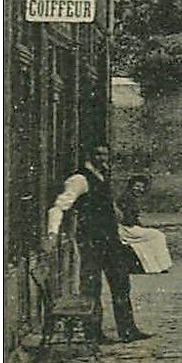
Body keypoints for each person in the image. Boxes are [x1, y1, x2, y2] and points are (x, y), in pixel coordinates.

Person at [46, 145, 151, 343]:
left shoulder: (103, 176)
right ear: (89, 156)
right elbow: (59, 206)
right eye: (98, 154)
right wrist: (52, 234)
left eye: (105, 154)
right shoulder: (79, 179)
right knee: (91, 287)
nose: (102, 158)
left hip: (110, 241)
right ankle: (93, 334)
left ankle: (128, 330)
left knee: (121, 283)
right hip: (91, 242)